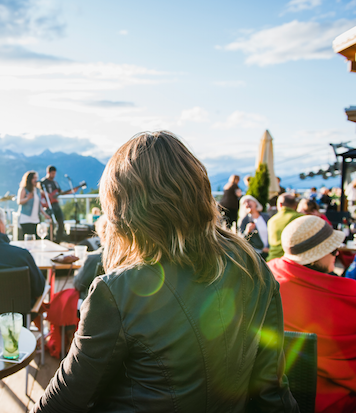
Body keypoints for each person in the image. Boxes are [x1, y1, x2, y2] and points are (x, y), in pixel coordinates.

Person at [32, 131, 297, 413]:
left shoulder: (118, 291)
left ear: (125, 210)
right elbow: (272, 393)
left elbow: (64, 401)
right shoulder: (253, 266)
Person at [268, 215, 356, 412]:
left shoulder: (268, 275)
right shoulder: (347, 296)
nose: (337, 254)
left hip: (277, 397)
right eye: (333, 250)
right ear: (316, 256)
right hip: (333, 401)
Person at [40, 166, 77, 241]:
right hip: (48, 205)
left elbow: (60, 192)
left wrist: (71, 191)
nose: (53, 175)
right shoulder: (43, 182)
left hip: (56, 204)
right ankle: (50, 239)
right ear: (48, 173)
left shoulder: (55, 183)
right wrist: (47, 194)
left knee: (61, 222)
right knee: (51, 224)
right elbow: (39, 191)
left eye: (54, 174)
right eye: (52, 173)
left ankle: (58, 240)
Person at [266, 194, 303, 261]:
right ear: (295, 205)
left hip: (273, 260)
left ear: (280, 204)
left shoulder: (272, 221)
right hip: (294, 261)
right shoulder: (302, 218)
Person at [17, 171, 50, 240]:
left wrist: (44, 214)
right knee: (28, 238)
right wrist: (27, 198)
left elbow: (39, 205)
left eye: (36, 178)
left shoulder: (37, 190)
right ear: (29, 179)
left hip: (36, 219)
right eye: (34, 178)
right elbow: (19, 201)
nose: (36, 180)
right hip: (26, 218)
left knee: (36, 238)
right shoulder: (24, 189)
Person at [238, 195, 270, 259]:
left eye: (249, 201)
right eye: (244, 203)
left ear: (255, 202)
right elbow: (241, 241)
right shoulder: (244, 221)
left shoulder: (266, 217)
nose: (247, 203)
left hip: (270, 251)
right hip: (257, 255)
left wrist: (269, 248)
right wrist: (247, 231)